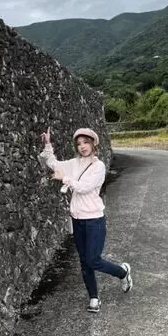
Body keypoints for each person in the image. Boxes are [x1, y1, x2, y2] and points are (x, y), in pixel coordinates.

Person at [39, 127, 132, 313]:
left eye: (86, 142)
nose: (82, 147)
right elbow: (53, 164)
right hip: (77, 219)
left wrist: (65, 178)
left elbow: (84, 187)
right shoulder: (74, 163)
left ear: (93, 144)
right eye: (79, 143)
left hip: (94, 220)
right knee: (84, 261)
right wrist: (48, 144)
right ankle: (94, 297)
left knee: (93, 260)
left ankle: (123, 272)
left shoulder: (99, 167)